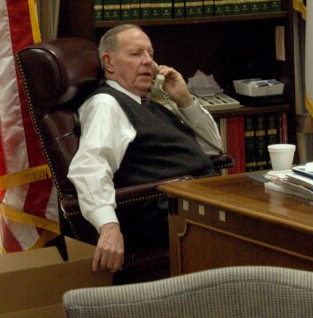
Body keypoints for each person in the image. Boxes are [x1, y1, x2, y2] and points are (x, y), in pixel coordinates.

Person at [67, 24, 223, 276]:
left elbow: (213, 148)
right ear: (109, 63)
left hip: (198, 202)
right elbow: (89, 166)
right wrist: (108, 226)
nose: (148, 62)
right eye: (136, 54)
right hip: (172, 213)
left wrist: (184, 100)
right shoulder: (106, 104)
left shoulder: (149, 104)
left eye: (150, 54)